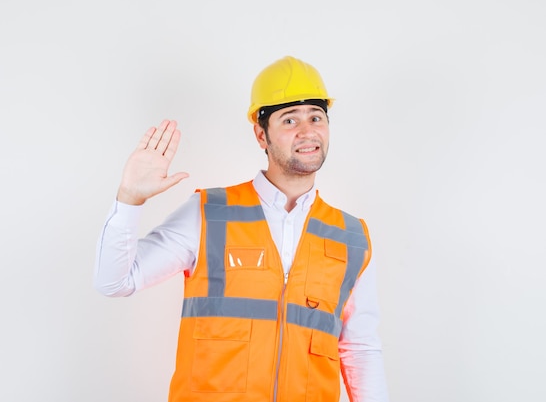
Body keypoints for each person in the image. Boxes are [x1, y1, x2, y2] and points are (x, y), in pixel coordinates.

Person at [94, 56, 390, 402]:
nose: (307, 131)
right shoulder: (209, 214)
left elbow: (360, 347)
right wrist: (129, 200)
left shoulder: (351, 237)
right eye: (289, 119)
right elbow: (115, 281)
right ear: (261, 135)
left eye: (316, 117)